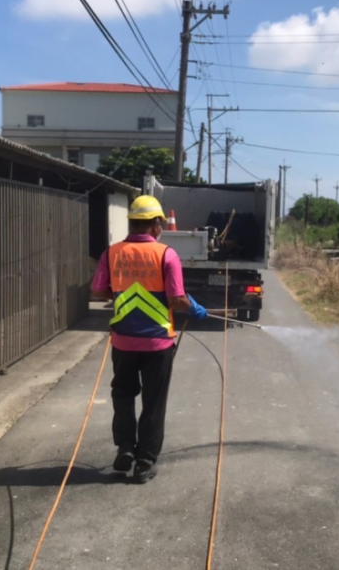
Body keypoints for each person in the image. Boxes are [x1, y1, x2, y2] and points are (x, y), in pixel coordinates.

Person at [90, 195, 208, 483]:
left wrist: (123, 296)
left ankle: (126, 448)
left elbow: (98, 291)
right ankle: (144, 462)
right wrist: (194, 307)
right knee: (153, 402)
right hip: (157, 345)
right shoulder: (166, 254)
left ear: (132, 223)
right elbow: (176, 298)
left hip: (123, 343)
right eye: (161, 224)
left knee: (123, 395)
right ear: (156, 225)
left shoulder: (112, 253)